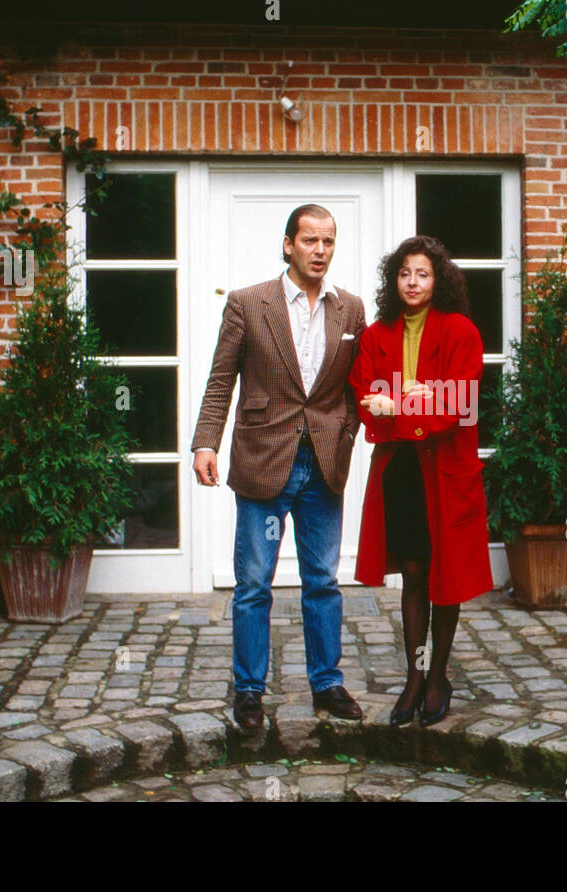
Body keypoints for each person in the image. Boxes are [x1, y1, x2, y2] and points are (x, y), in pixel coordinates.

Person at [191, 204, 368, 731]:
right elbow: (222, 378)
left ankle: (327, 684)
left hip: (323, 467)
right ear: (288, 244)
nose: (320, 250)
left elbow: (358, 387)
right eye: (310, 240)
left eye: (328, 242)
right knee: (253, 584)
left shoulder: (351, 310)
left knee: (323, 581)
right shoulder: (249, 303)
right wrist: (206, 443)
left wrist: (346, 431)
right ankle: (249, 691)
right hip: (264, 460)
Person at [349, 235, 493, 727]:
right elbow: (366, 393)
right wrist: (416, 398)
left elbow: (460, 401)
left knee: (444, 576)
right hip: (403, 470)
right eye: (405, 273)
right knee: (413, 571)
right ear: (395, 279)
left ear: (439, 280)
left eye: (423, 274)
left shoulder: (461, 331)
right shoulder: (376, 333)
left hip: (446, 468)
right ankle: (415, 676)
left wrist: (405, 403)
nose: (413, 282)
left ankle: (438, 680)